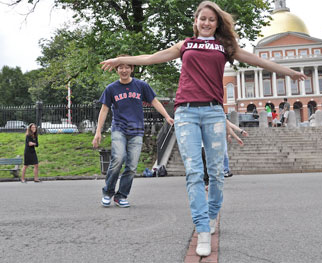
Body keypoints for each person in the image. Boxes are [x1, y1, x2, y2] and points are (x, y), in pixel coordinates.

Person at [100, 1, 306, 256]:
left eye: (212, 19)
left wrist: (288, 71)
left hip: (212, 112)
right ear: (195, 22)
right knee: (195, 172)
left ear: (217, 23)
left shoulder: (223, 47)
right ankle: (202, 228)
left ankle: (210, 216)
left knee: (217, 173)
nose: (207, 23)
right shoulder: (185, 45)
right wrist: (122, 59)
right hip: (186, 111)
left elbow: (255, 60)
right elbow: (151, 58)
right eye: (202, 19)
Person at [92, 54, 174, 208]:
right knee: (118, 159)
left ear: (132, 68)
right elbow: (104, 111)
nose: (124, 70)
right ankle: (108, 192)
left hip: (137, 130)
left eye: (127, 67)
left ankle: (121, 195)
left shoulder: (141, 86)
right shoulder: (111, 89)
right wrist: (98, 132)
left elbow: (154, 101)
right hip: (119, 129)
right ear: (117, 70)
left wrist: (167, 117)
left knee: (132, 166)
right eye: (121, 67)